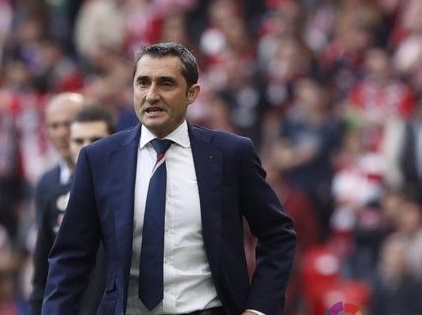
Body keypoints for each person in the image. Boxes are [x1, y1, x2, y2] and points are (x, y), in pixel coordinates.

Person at [43, 42, 297, 315]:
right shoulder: (98, 159)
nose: (152, 95)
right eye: (143, 83)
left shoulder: (231, 154)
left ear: (192, 93)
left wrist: (259, 308)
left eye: (165, 84)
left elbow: (277, 235)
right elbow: (70, 258)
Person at [30, 102, 116, 315]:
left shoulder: (133, 192)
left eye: (96, 140)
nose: (87, 148)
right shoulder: (54, 195)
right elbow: (44, 270)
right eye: (79, 141)